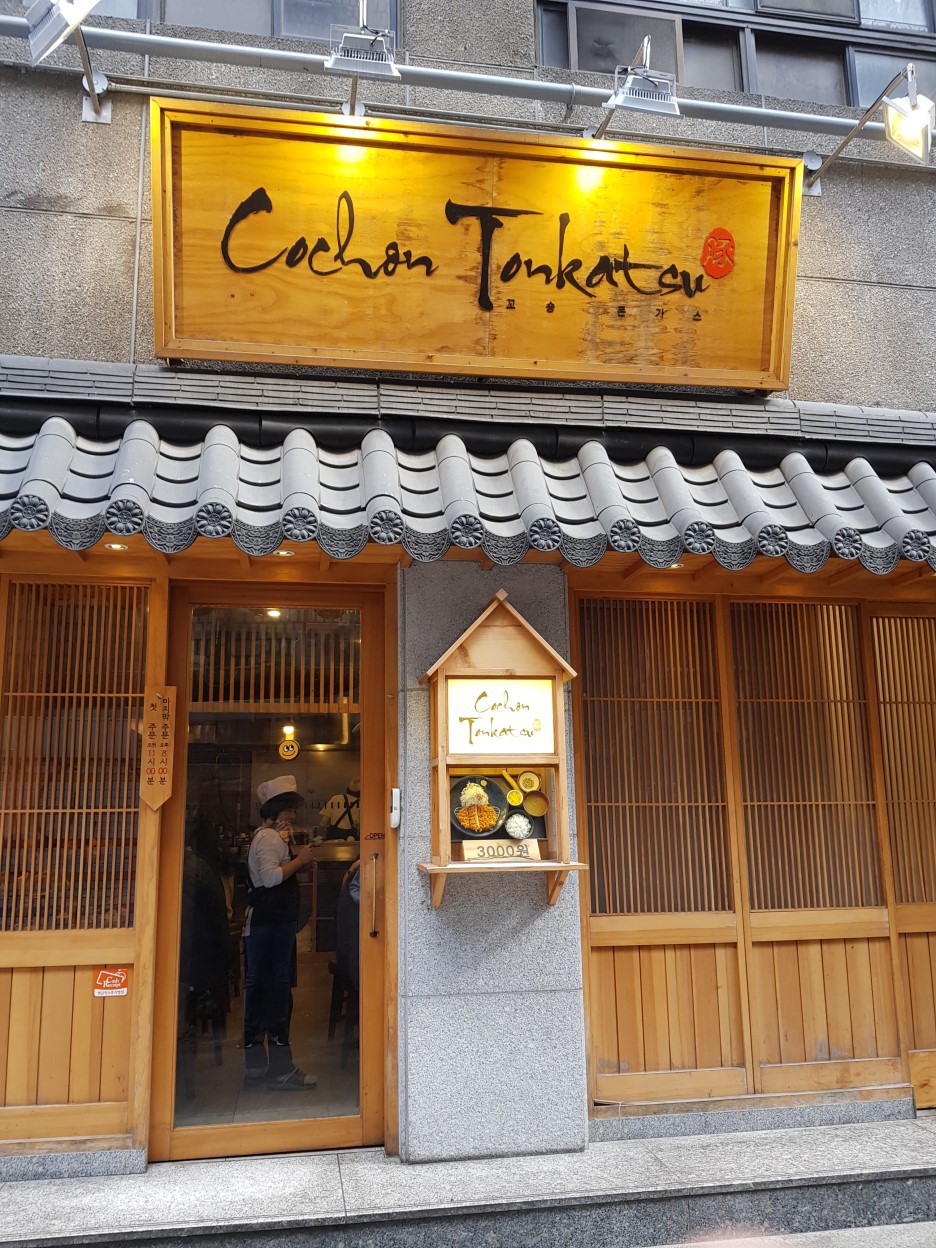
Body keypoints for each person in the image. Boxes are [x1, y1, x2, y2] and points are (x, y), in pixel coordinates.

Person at [242, 775, 317, 1090]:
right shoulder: (269, 838)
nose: (293, 815)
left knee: (263, 990)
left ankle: (257, 1065)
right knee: (276, 990)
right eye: (288, 809)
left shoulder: (267, 837)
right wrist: (300, 860)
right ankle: (280, 1069)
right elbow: (272, 878)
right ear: (275, 811)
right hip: (271, 925)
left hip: (267, 924)